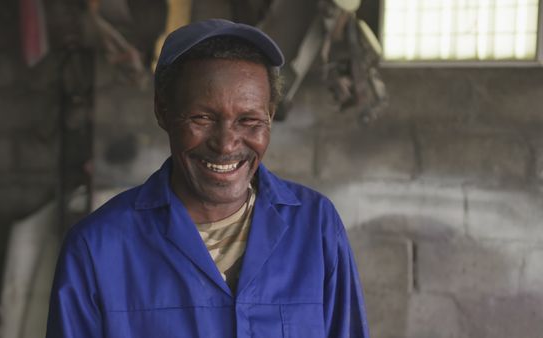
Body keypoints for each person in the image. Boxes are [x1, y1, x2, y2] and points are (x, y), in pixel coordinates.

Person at [46, 18, 369, 338]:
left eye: (249, 120)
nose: (226, 143)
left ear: (270, 117)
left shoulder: (315, 226)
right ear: (163, 111)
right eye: (202, 117)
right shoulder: (97, 247)